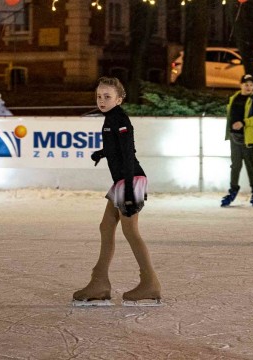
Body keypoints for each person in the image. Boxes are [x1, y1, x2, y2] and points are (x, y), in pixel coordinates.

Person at [72, 77, 161, 306]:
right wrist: (102, 153)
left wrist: (130, 191)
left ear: (119, 99)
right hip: (123, 181)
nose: (101, 100)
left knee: (131, 232)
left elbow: (129, 153)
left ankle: (150, 283)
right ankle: (99, 282)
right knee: (106, 227)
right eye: (99, 96)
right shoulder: (111, 119)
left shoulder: (119, 119)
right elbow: (118, 148)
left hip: (129, 181)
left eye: (107, 96)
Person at [221, 74, 253, 207]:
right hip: (234, 137)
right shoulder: (234, 97)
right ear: (241, 85)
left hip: (248, 138)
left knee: (250, 165)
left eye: (251, 85)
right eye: (246, 84)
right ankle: (233, 190)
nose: (248, 87)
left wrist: (243, 123)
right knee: (235, 165)